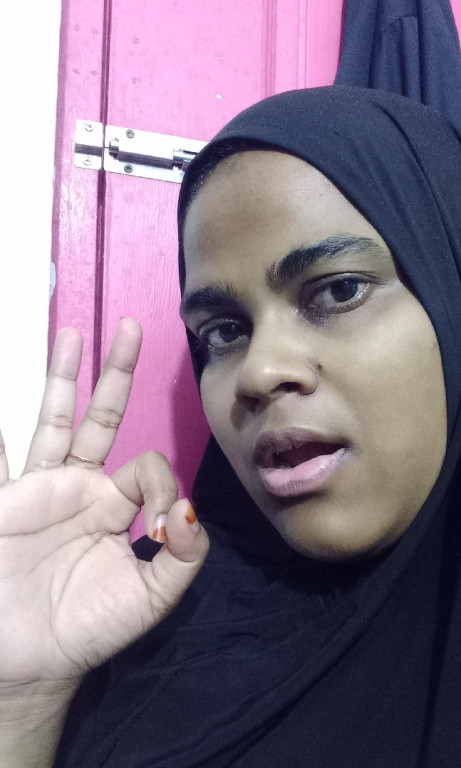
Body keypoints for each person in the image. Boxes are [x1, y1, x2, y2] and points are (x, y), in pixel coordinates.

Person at [2, 85, 461, 767]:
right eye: (223, 332)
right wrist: (21, 700)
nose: (258, 372)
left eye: (338, 290)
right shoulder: (149, 625)